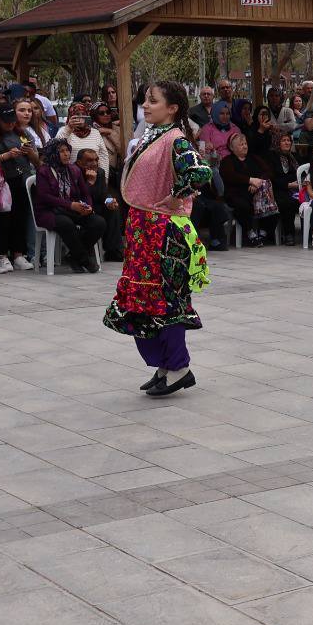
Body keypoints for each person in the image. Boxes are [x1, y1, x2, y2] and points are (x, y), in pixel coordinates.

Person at [103, 82, 211, 397]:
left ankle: (179, 367)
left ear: (173, 108)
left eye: (153, 101)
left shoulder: (176, 139)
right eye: (145, 101)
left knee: (166, 299)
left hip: (163, 232)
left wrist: (174, 196)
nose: (146, 106)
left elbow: (198, 173)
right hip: (143, 229)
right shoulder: (154, 136)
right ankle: (164, 365)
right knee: (145, 300)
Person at [34, 139, 105, 272]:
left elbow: (85, 193)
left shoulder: (73, 170)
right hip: (49, 211)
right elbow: (45, 197)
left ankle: (73, 257)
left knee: (98, 222)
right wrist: (70, 205)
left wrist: (88, 207)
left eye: (67, 150)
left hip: (71, 209)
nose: (66, 154)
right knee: (66, 223)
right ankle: (84, 260)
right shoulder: (44, 171)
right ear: (53, 153)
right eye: (61, 151)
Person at [0, 103, 37, 271]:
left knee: (20, 217)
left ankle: (19, 254)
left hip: (22, 179)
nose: (10, 125)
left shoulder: (21, 133)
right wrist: (7, 155)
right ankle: (2, 255)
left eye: (12, 121)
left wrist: (28, 151)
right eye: (6, 122)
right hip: (3, 182)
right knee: (4, 219)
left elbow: (36, 159)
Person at [219, 131, 280, 246]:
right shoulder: (227, 161)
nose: (245, 146)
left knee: (274, 202)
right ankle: (250, 233)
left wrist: (258, 182)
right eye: (241, 144)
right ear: (232, 148)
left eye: (245, 143)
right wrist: (250, 180)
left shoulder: (254, 158)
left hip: (257, 192)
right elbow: (230, 176)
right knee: (242, 206)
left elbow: (269, 172)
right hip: (236, 193)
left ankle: (263, 233)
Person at [76, 147, 123, 261]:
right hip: (79, 208)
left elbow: (102, 194)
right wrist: (90, 183)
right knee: (96, 219)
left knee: (113, 209)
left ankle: (112, 251)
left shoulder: (100, 172)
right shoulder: (74, 171)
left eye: (96, 160)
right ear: (79, 163)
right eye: (90, 160)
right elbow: (77, 197)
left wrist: (109, 201)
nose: (95, 163)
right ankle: (82, 249)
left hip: (95, 206)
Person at [56, 102, 113, 178]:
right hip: (72, 177)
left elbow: (103, 156)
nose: (80, 117)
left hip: (94, 176)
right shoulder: (64, 131)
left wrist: (104, 178)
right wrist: (69, 129)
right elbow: (56, 146)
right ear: (71, 116)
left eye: (83, 114)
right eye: (77, 115)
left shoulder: (95, 132)